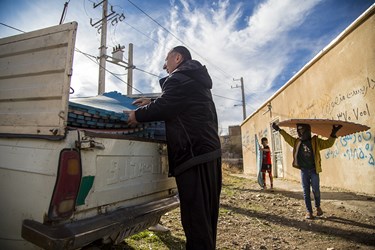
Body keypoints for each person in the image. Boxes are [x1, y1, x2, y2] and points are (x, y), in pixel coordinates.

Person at [125, 46, 222, 249]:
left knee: (195, 217)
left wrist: (137, 115)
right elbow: (178, 103)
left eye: (166, 60)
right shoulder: (193, 79)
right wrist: (152, 101)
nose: (163, 65)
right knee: (206, 214)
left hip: (193, 153)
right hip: (208, 152)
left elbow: (167, 105)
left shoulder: (179, 78)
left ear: (177, 57)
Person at [272, 122, 342, 219]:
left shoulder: (315, 142)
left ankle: (318, 207)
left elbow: (328, 144)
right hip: (304, 171)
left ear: (307, 131)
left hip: (314, 170)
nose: (300, 133)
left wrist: (333, 133)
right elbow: (287, 138)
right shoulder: (297, 142)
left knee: (316, 190)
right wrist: (279, 130)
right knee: (306, 192)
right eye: (298, 131)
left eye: (302, 131)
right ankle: (309, 211)